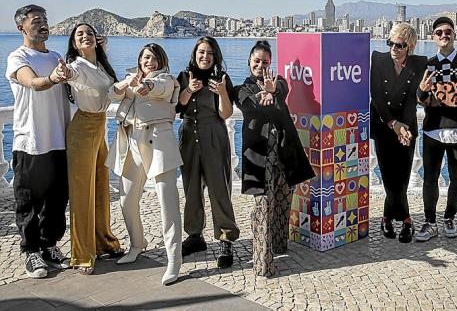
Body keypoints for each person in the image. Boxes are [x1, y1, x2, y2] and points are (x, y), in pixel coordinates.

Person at [231, 40, 315, 277]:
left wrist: (272, 90)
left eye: (265, 62)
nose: (260, 65)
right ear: (249, 62)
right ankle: (262, 262)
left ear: (271, 63)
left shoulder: (280, 82)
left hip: (285, 152)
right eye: (256, 61)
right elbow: (250, 103)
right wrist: (264, 95)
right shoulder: (241, 88)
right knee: (263, 206)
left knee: (283, 201)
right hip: (259, 156)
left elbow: (282, 90)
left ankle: (278, 246)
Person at [106, 43, 183, 285]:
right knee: (126, 199)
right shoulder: (130, 78)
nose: (149, 61)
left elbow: (159, 89)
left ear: (161, 61)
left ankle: (174, 259)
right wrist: (126, 84)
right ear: (139, 59)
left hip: (159, 143)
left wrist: (146, 85)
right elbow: (112, 94)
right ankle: (137, 243)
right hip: (131, 144)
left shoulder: (168, 79)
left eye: (154, 58)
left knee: (167, 205)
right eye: (145, 57)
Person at [5, 5, 71, 278]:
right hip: (31, 141)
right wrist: (53, 77)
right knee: (29, 201)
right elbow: (32, 82)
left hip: (59, 139)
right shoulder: (17, 57)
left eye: (45, 19)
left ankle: (49, 246)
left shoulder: (56, 56)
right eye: (36, 21)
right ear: (22, 27)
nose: (43, 24)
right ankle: (31, 251)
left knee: (57, 201)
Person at [56, 23, 122, 275]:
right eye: (79, 34)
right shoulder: (76, 66)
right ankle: (82, 254)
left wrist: (101, 50)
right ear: (73, 43)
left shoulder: (100, 65)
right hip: (83, 129)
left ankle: (103, 241)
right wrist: (65, 73)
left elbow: (108, 89)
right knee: (82, 195)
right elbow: (74, 76)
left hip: (99, 129)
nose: (85, 36)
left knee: (101, 190)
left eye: (89, 33)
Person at [415, 16, 457, 243]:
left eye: (448, 32)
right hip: (433, 129)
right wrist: (423, 92)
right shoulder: (426, 66)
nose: (444, 35)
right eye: (439, 32)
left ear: (455, 34)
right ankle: (430, 222)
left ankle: (449, 218)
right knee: (430, 178)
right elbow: (421, 100)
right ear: (433, 37)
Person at [176, 36, 240, 268]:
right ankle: (195, 236)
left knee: (219, 187)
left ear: (215, 56)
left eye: (210, 53)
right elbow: (178, 108)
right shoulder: (184, 77)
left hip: (214, 135)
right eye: (201, 52)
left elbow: (226, 114)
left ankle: (225, 239)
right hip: (188, 136)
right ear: (195, 54)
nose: (205, 56)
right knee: (191, 187)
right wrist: (188, 91)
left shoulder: (222, 79)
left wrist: (222, 92)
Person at [370, 23, 426, 243]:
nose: (394, 48)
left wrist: (404, 127)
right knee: (388, 176)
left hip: (407, 127)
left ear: (409, 47)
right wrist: (393, 124)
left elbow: (413, 99)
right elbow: (376, 96)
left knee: (401, 178)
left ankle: (386, 217)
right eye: (391, 43)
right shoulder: (378, 59)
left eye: (400, 45)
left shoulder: (419, 64)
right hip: (384, 126)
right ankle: (406, 220)